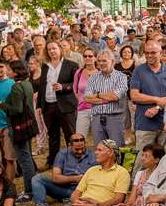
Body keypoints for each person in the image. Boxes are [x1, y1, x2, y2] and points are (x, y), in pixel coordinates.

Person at [0, 60, 38, 202]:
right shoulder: (27, 83)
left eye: (9, 70)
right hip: (28, 126)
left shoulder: (17, 87)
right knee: (27, 157)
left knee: (25, 160)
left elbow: (17, 109)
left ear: (15, 72)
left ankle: (29, 191)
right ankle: (33, 188)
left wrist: (0, 104)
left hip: (19, 128)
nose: (6, 71)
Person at [130, 40, 166, 173]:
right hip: (145, 124)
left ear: (161, 53)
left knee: (164, 160)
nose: (149, 55)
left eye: (153, 53)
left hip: (165, 123)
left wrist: (157, 107)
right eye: (147, 53)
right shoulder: (139, 71)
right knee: (142, 160)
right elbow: (134, 96)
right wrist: (157, 100)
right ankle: (136, 189)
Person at [29, 133, 98, 206]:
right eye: (76, 149)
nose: (80, 151)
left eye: (82, 149)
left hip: (84, 191)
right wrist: (75, 179)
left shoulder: (93, 155)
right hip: (65, 188)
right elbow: (56, 177)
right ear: (69, 145)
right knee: (37, 178)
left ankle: (70, 199)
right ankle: (41, 205)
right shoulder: (62, 154)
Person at [37, 41, 79, 170]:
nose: (52, 51)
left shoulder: (71, 65)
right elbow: (42, 86)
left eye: (54, 48)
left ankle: (74, 161)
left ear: (60, 49)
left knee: (70, 135)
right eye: (49, 49)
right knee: (53, 135)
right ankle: (53, 162)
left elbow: (76, 84)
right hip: (48, 106)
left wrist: (64, 87)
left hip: (65, 105)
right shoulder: (45, 66)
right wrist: (39, 105)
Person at [81, 49, 128, 147]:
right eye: (99, 61)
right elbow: (87, 98)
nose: (101, 63)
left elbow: (114, 96)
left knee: (116, 149)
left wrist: (97, 94)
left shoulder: (121, 77)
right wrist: (106, 97)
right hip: (97, 119)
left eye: (104, 61)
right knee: (100, 149)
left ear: (112, 62)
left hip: (115, 118)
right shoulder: (93, 78)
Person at [73, 47, 99, 140]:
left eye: (90, 56)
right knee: (80, 137)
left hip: (98, 110)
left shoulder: (101, 73)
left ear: (95, 58)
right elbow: (75, 89)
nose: (87, 58)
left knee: (99, 137)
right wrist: (81, 100)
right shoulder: (78, 72)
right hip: (82, 109)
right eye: (85, 56)